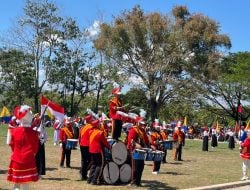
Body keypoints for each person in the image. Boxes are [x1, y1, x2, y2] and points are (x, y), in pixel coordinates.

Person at [7, 105, 39, 190]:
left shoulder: (14, 131)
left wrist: (16, 152)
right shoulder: (34, 133)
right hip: (28, 159)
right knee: (25, 184)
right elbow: (35, 148)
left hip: (16, 159)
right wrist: (32, 155)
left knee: (16, 183)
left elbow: (12, 145)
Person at [127, 116, 149, 187]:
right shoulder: (133, 130)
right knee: (135, 167)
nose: (142, 125)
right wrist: (137, 145)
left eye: (142, 123)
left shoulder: (142, 130)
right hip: (134, 150)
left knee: (141, 166)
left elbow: (146, 140)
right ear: (137, 122)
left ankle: (138, 182)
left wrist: (149, 145)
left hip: (141, 150)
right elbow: (131, 140)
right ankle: (133, 182)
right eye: (140, 123)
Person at [87, 120, 111, 185]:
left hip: (91, 150)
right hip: (98, 150)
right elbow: (105, 142)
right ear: (97, 125)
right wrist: (109, 147)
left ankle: (89, 179)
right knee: (100, 165)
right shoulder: (100, 133)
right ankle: (95, 180)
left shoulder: (90, 131)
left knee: (94, 164)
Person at [79, 115, 93, 180]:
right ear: (90, 120)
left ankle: (83, 175)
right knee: (91, 160)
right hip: (87, 145)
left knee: (84, 160)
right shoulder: (91, 127)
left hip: (82, 145)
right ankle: (82, 172)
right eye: (92, 119)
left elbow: (79, 137)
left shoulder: (83, 127)